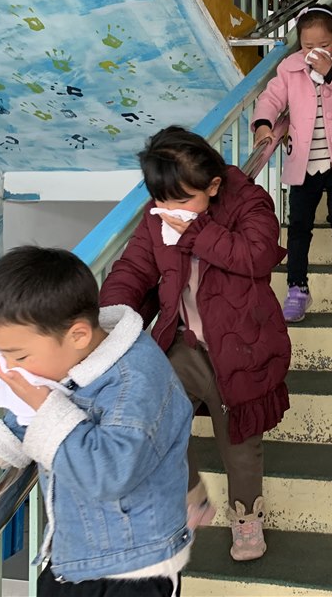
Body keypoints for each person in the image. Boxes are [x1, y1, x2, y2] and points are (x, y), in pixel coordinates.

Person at [99, 126, 290, 562]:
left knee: (239, 444)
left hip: (241, 346)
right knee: (153, 415)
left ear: (214, 185)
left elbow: (258, 255)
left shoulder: (248, 201)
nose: (169, 210)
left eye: (183, 199)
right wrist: (110, 318)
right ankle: (191, 493)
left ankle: (246, 518)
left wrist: (197, 231)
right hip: (184, 343)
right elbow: (134, 271)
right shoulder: (158, 214)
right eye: (161, 199)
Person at [0, 247, 193, 595]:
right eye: (2, 354)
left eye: (19, 356)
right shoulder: (74, 357)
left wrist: (44, 406)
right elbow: (37, 412)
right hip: (73, 555)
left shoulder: (136, 382)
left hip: (135, 567)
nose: (9, 368)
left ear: (78, 335)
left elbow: (109, 473)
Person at [252, 6, 332, 321]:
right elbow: (271, 98)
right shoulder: (289, 69)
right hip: (304, 162)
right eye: (307, 46)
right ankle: (297, 287)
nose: (315, 51)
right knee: (299, 225)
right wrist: (263, 123)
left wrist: (331, 72)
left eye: (325, 44)